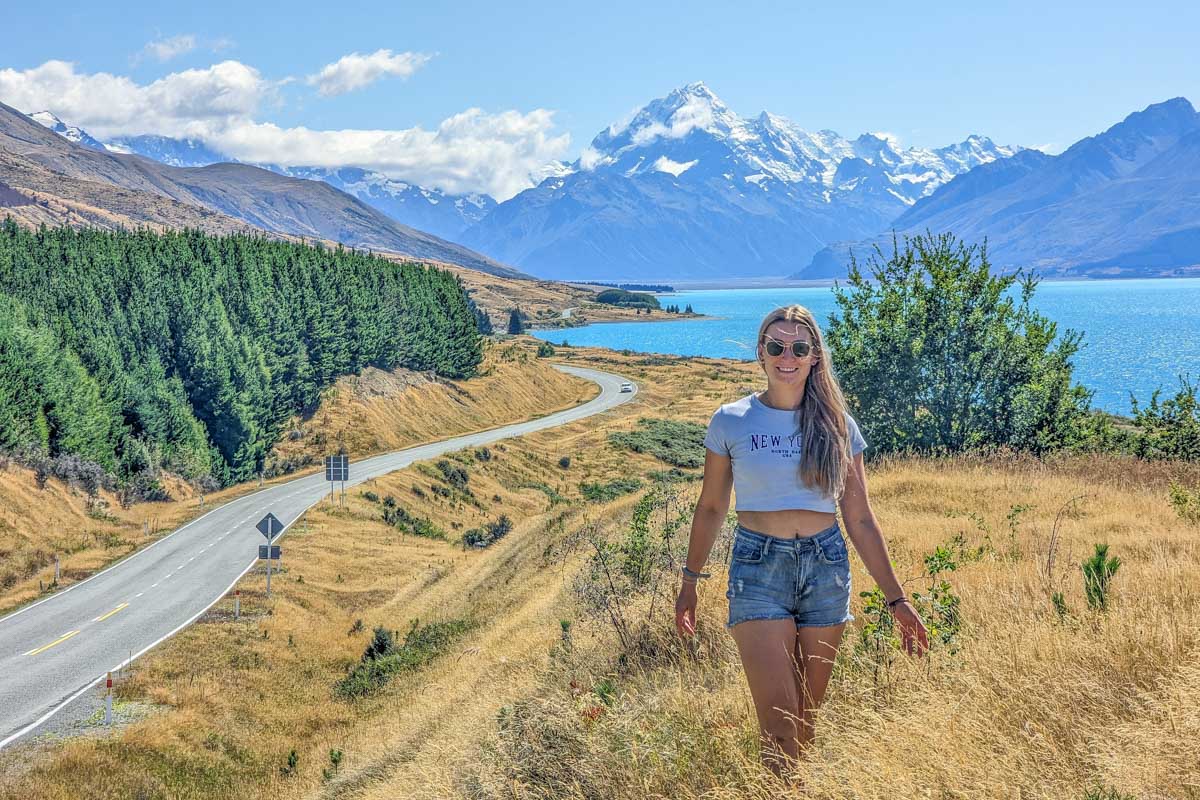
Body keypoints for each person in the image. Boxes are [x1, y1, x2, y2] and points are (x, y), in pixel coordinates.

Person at [675, 304, 928, 778]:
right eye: (776, 346)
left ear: (815, 357)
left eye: (798, 347)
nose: (786, 356)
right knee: (780, 727)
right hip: (758, 569)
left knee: (806, 722)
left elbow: (860, 518)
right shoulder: (731, 420)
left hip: (825, 569)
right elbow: (710, 507)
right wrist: (690, 581)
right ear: (761, 353)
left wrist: (897, 600)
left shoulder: (838, 425)